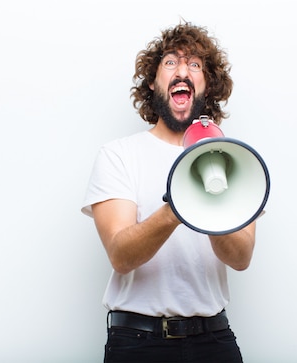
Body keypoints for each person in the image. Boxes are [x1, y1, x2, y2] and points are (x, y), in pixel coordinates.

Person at [82, 22, 255, 363]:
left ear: (208, 84)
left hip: (213, 340)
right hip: (138, 341)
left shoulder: (234, 160)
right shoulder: (119, 155)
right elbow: (121, 255)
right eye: (171, 62)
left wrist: (211, 205)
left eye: (195, 65)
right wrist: (177, 207)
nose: (183, 71)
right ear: (153, 81)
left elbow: (241, 258)